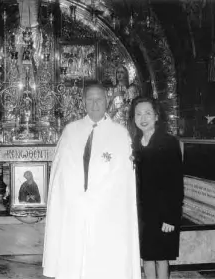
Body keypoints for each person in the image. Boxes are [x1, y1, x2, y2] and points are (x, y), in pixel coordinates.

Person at [42, 83, 141, 279]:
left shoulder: (120, 134)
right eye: (90, 99)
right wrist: (75, 197)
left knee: (105, 261)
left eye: (99, 99)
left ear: (107, 101)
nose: (95, 104)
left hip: (107, 212)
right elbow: (60, 175)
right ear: (83, 102)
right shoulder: (70, 131)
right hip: (74, 209)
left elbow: (124, 178)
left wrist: (99, 196)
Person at [128, 96, 184, 279]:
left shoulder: (168, 143)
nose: (143, 118)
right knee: (146, 258)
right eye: (138, 114)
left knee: (161, 258)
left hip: (162, 213)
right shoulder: (134, 144)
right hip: (143, 214)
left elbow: (175, 184)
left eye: (148, 113)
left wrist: (170, 217)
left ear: (156, 116)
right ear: (133, 118)